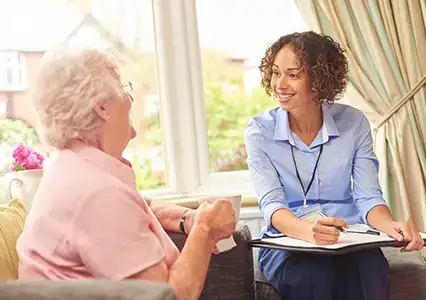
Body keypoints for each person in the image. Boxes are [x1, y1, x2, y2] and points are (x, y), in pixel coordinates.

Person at [16, 48, 236, 300]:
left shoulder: (75, 165)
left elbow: (139, 210)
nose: (130, 100)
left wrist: (188, 218)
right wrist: (206, 229)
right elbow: (169, 296)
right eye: (123, 88)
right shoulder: (97, 194)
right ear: (102, 107)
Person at [244, 31, 424, 300]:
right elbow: (272, 205)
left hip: (349, 238)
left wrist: (389, 225)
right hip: (288, 242)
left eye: (292, 75)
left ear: (318, 80)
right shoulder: (260, 131)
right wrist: (308, 232)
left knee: (370, 272)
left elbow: (368, 196)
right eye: (276, 72)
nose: (279, 84)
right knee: (312, 275)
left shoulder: (353, 123)